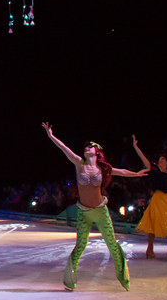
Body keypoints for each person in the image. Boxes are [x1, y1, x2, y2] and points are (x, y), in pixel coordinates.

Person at [42, 122, 147, 291]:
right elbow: (64, 148)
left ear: (97, 151)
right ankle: (69, 281)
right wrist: (50, 135)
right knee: (80, 246)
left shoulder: (103, 168)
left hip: (100, 211)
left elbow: (122, 172)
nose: (86, 149)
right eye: (85, 147)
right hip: (83, 212)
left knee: (112, 243)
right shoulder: (78, 163)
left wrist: (137, 174)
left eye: (89, 147)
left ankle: (123, 277)